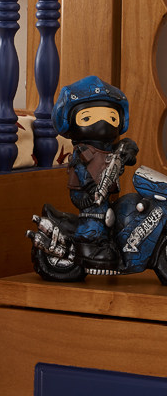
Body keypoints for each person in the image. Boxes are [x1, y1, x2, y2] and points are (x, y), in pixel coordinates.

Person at [51, 75, 139, 270]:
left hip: (105, 191)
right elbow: (81, 169)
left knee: (113, 214)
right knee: (95, 215)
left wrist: (129, 151)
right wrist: (91, 187)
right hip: (86, 192)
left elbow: (128, 149)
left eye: (111, 118)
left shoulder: (110, 148)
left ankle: (110, 239)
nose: (102, 123)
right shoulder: (83, 151)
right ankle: (89, 246)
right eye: (88, 118)